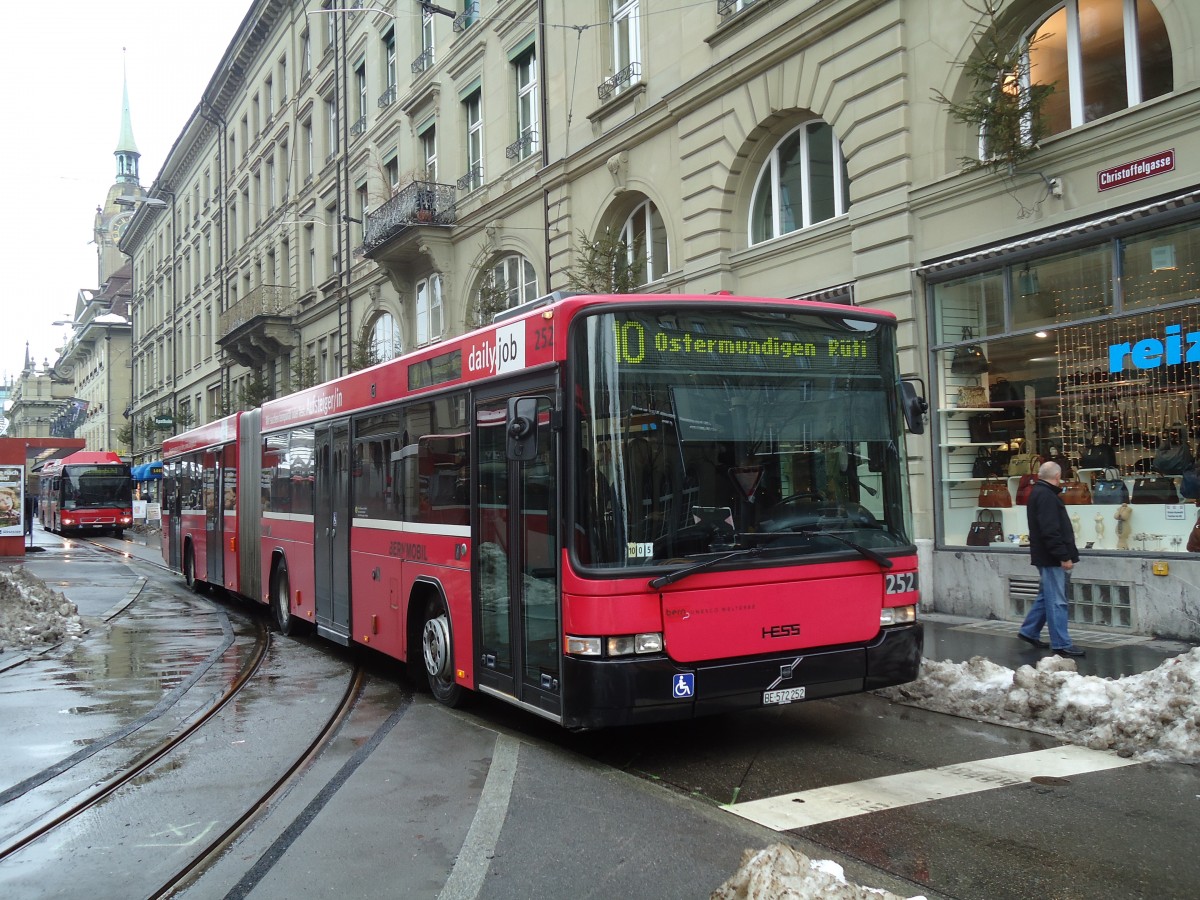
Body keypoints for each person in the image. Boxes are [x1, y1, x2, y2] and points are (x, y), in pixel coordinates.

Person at [1017, 460, 1085, 657]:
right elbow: (1050, 531)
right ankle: (1061, 643)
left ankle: (1029, 630)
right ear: (1057, 477)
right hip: (1051, 557)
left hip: (1046, 555)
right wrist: (1063, 556)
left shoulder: (1039, 493)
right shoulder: (1046, 496)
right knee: (1057, 600)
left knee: (1047, 595)